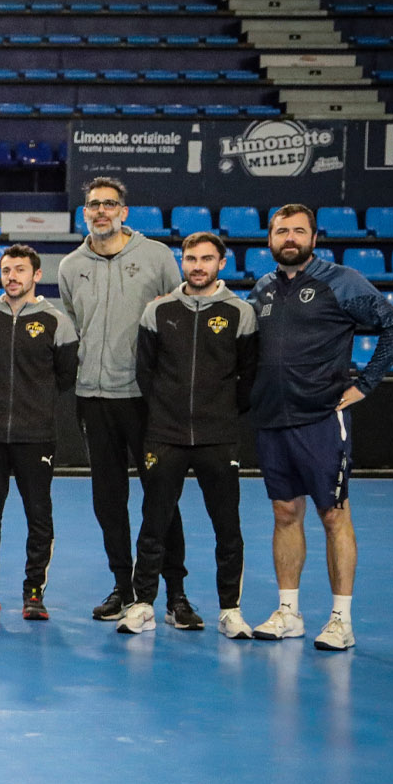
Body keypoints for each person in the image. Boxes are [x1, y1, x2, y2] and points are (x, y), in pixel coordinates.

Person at [246, 203, 393, 651]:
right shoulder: (261, 289)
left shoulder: (342, 282)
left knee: (333, 515)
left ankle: (341, 619)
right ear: (270, 239)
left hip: (321, 419)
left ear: (315, 238)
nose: (290, 238)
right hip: (272, 420)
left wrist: (366, 383)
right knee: (284, 514)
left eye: (300, 231)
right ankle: (289, 612)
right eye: (282, 231)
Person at [57, 177, 191, 624]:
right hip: (93, 398)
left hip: (145, 399)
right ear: (85, 213)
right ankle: (124, 585)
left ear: (124, 212)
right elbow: (76, 322)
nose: (100, 211)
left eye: (109, 204)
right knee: (108, 500)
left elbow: (178, 316)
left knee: (161, 498)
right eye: (93, 205)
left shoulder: (157, 258)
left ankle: (175, 594)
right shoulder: (71, 265)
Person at [118, 232, 258, 639]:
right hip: (165, 434)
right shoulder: (158, 311)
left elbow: (248, 377)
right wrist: (166, 411)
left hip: (218, 436)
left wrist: (223, 413)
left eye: (207, 259)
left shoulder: (240, 312)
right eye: (191, 258)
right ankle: (143, 603)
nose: (198, 266)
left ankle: (230, 610)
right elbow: (145, 372)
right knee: (153, 523)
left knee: (227, 527)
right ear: (182, 261)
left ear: (221, 264)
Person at [0, 245, 77, 620]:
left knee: (39, 515)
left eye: (20, 270)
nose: (12, 277)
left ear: (36, 276)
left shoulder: (57, 321)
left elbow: (65, 377)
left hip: (36, 435)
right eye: (6, 270)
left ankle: (33, 593)